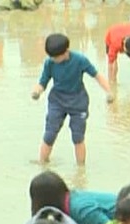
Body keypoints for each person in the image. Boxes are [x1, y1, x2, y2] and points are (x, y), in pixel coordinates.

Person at [31, 33, 114, 166]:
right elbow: (43, 82)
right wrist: (37, 91)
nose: (53, 59)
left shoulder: (80, 60)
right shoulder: (50, 62)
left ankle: (81, 169)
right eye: (51, 56)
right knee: (50, 134)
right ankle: (42, 163)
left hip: (78, 102)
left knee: (78, 137)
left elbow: (97, 76)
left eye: (56, 57)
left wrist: (109, 91)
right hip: (57, 101)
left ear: (66, 51)